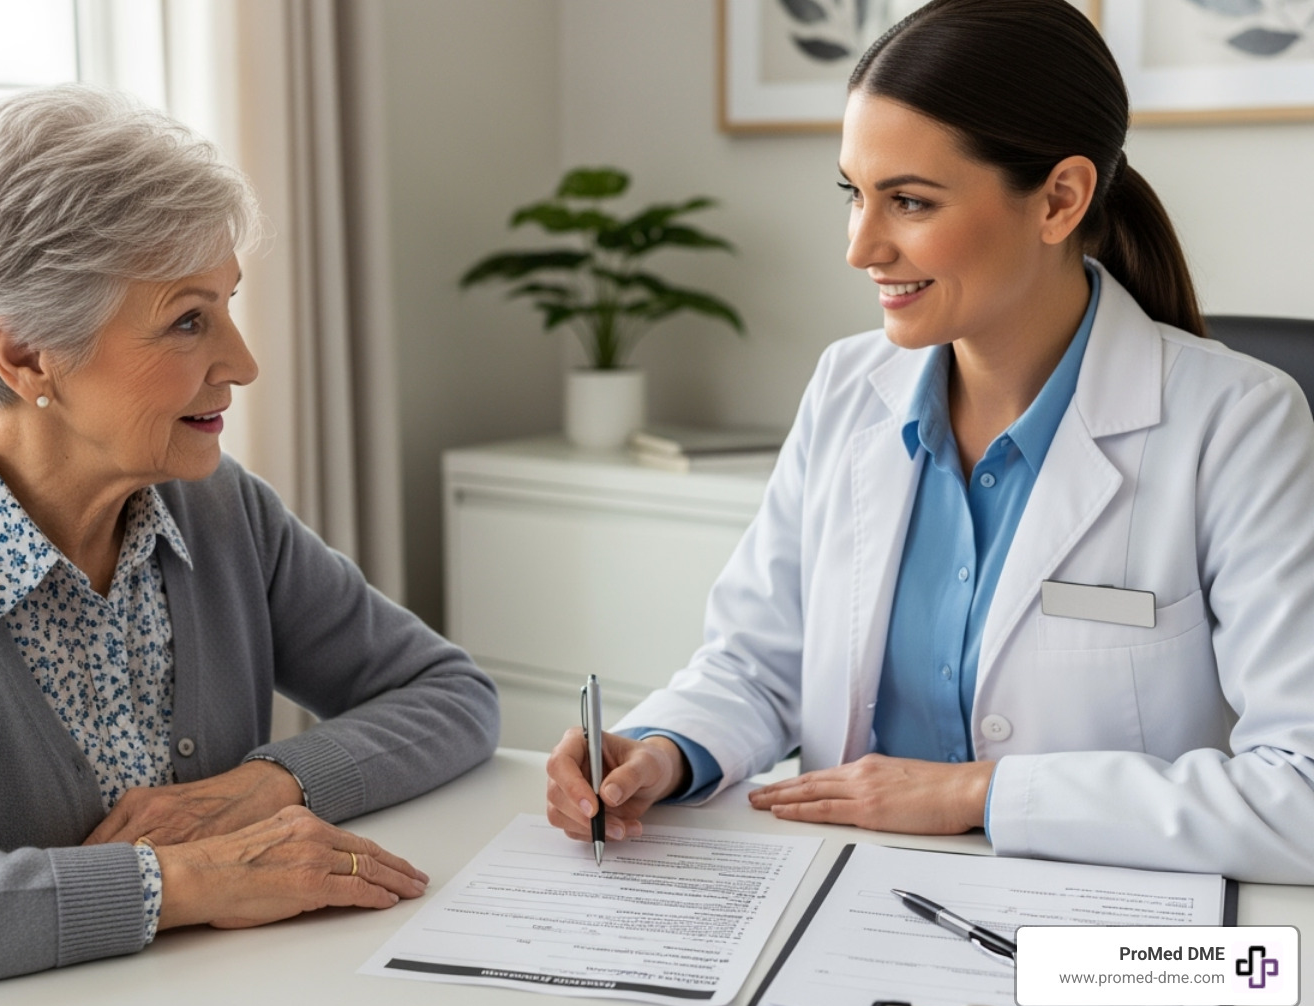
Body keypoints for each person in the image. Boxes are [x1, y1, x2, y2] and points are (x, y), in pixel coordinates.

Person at [546, 0, 1314, 884]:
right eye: (854, 194)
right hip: (846, 904)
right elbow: (758, 665)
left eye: (908, 201)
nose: (861, 246)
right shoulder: (847, 386)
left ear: (1060, 199)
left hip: (1105, 936)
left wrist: (976, 795)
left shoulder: (1239, 423)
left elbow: (1297, 792)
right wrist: (661, 749)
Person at [0, 85, 499, 1006]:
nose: (241, 361)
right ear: (27, 356)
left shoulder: (216, 506)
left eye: (227, 305)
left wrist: (271, 783)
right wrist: (183, 884)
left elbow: (449, 694)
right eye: (188, 319)